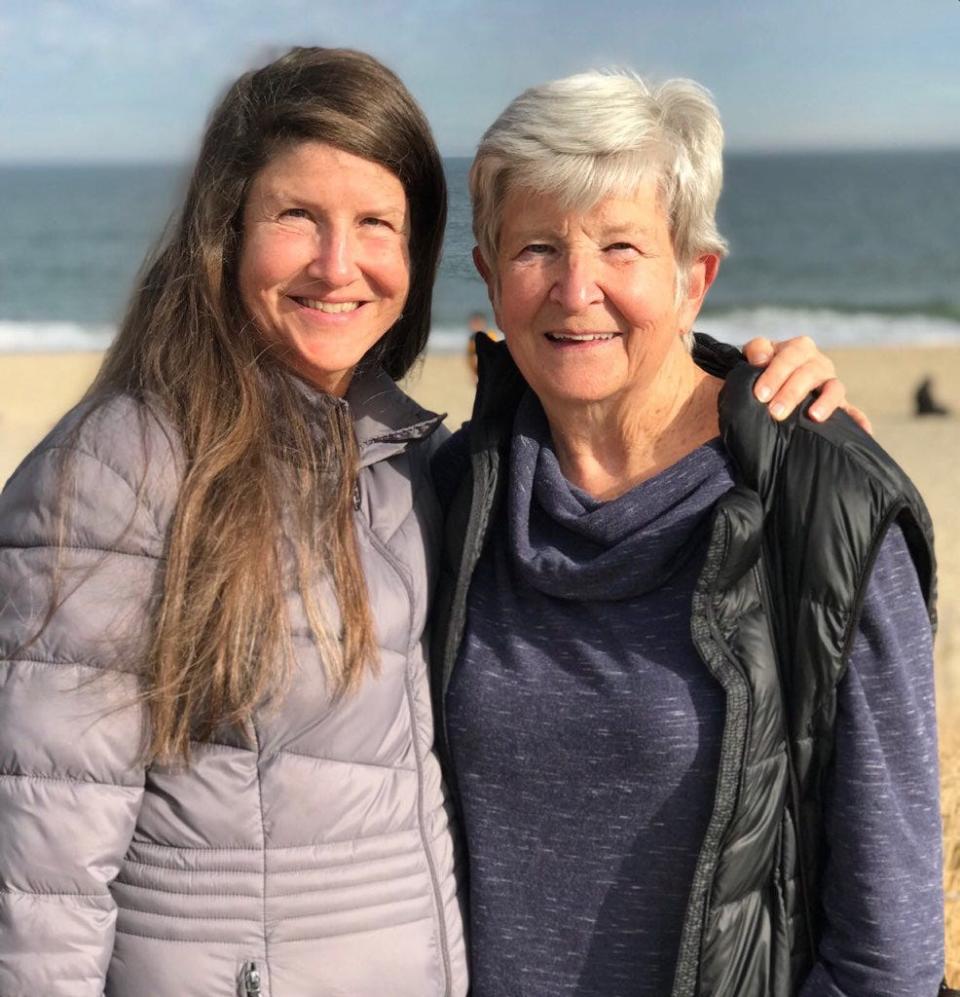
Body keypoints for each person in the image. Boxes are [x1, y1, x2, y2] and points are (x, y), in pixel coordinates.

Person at [0, 46, 859, 997]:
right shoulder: (118, 471)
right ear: (227, 230)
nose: (339, 265)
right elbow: (39, 875)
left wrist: (762, 395)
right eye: (297, 218)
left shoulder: (420, 469)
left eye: (377, 223)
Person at [432, 70, 948, 997]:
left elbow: (890, 951)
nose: (576, 287)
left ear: (693, 277)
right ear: (488, 277)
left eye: (621, 247)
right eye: (537, 247)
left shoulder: (825, 510)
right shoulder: (447, 501)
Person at [466, 310, 497, 379]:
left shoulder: (490, 336)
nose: (476, 326)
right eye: (474, 324)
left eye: (478, 324)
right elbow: (469, 356)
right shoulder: (471, 339)